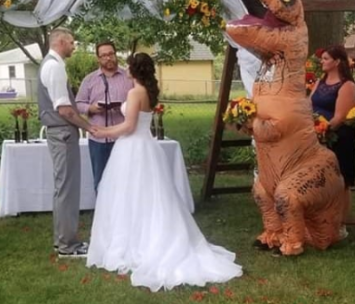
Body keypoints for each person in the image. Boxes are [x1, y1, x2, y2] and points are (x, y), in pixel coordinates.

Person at [87, 53, 242, 291]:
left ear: (134, 69)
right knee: (148, 196)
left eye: (128, 65)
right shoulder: (147, 91)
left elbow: (128, 127)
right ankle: (142, 235)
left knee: (130, 196)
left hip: (132, 148)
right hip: (145, 146)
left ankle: (134, 241)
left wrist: (103, 132)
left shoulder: (134, 92)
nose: (124, 68)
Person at [38, 27, 94, 258]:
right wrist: (89, 127)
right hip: (63, 132)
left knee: (65, 188)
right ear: (61, 41)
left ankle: (64, 241)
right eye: (72, 42)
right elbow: (65, 109)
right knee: (67, 189)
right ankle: (67, 246)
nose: (74, 46)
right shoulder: (54, 67)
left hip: (60, 133)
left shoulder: (51, 64)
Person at [309, 45, 355, 228]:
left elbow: (339, 118)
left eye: (326, 58)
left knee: (340, 181)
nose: (322, 61)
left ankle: (340, 223)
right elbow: (308, 104)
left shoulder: (347, 85)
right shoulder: (320, 81)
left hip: (339, 138)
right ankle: (320, 219)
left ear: (337, 62)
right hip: (316, 136)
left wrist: (322, 131)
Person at [75, 41, 133, 191]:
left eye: (111, 54)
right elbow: (78, 103)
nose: (108, 58)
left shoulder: (128, 77)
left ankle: (122, 213)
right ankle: (102, 213)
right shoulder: (90, 79)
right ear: (98, 59)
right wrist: (91, 108)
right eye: (104, 55)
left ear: (116, 54)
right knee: (100, 180)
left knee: (124, 179)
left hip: (123, 138)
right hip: (98, 138)